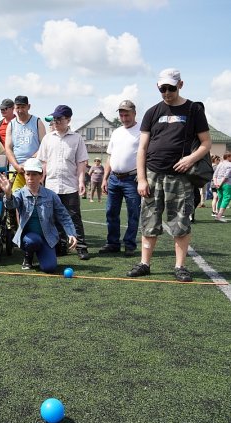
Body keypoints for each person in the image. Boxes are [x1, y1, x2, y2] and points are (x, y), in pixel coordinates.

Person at [127, 68, 211, 282]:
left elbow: (206, 143)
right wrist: (142, 178)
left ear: (180, 85)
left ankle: (180, 266)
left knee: (180, 222)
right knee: (149, 221)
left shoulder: (193, 110)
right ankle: (145, 264)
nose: (166, 92)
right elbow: (142, 148)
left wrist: (190, 159)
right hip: (153, 174)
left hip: (180, 177)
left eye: (170, 88)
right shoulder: (152, 112)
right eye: (162, 88)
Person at [0, 158, 77, 273]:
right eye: (28, 174)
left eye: (34, 174)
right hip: (29, 238)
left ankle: (42, 253)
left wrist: (71, 233)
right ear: (24, 176)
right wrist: (8, 194)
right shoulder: (19, 193)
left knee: (49, 268)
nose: (30, 178)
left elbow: (63, 215)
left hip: (48, 238)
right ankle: (28, 257)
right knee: (33, 241)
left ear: (41, 175)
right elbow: (11, 205)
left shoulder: (51, 195)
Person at [37, 105, 90, 260]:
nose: (57, 121)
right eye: (55, 118)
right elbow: (43, 162)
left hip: (70, 184)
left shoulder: (77, 138)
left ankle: (81, 248)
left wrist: (81, 181)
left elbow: (81, 162)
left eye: (60, 118)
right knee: (53, 218)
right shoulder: (48, 138)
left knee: (74, 217)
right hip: (52, 185)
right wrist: (41, 179)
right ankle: (60, 246)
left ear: (68, 120)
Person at [99, 100, 141, 257]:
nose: (124, 118)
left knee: (133, 213)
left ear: (134, 113)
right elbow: (110, 157)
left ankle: (130, 244)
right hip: (114, 179)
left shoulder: (142, 131)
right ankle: (113, 243)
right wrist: (105, 178)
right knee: (111, 212)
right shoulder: (116, 132)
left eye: (127, 114)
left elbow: (146, 156)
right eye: (121, 115)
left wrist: (142, 176)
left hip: (132, 179)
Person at [4, 95, 46, 191]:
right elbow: (8, 148)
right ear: (14, 108)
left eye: (23, 107)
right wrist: (16, 165)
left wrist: (28, 163)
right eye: (17, 107)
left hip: (34, 168)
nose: (20, 110)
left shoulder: (37, 122)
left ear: (28, 107)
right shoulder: (11, 124)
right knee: (16, 199)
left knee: (34, 198)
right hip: (16, 169)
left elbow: (44, 147)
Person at [213, 151, 231, 222]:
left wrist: (216, 183)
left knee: (220, 198)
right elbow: (226, 176)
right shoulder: (229, 164)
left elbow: (215, 175)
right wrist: (220, 184)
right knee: (226, 198)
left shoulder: (220, 164)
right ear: (228, 157)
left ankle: (217, 215)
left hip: (218, 183)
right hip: (227, 184)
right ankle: (219, 216)